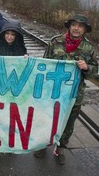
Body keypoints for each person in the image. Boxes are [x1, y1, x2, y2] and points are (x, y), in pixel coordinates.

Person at [33, 14, 98, 165]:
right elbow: (44, 64)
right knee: (48, 118)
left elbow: (96, 71)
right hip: (53, 92)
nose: (76, 28)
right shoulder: (55, 42)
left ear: (84, 30)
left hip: (74, 94)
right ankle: (43, 144)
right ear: (69, 26)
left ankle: (60, 148)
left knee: (68, 123)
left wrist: (87, 67)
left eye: (80, 26)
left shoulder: (88, 48)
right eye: (74, 24)